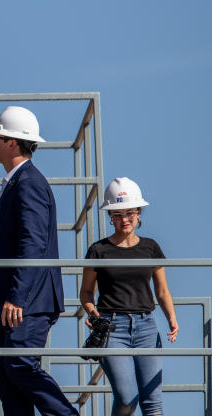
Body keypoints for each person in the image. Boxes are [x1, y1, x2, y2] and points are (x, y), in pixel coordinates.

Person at [0, 106, 78, 416]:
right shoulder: (17, 182)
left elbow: (32, 244)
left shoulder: (29, 183)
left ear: (12, 143)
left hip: (26, 303)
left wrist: (16, 297)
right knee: (9, 379)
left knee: (20, 365)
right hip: (13, 305)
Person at [80, 177, 177, 416]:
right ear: (110, 216)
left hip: (146, 326)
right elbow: (86, 292)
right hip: (112, 328)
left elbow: (162, 290)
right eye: (117, 214)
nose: (124, 220)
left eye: (129, 213)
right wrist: (93, 312)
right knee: (126, 398)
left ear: (139, 213)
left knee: (153, 403)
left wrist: (172, 319)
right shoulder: (98, 250)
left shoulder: (151, 247)